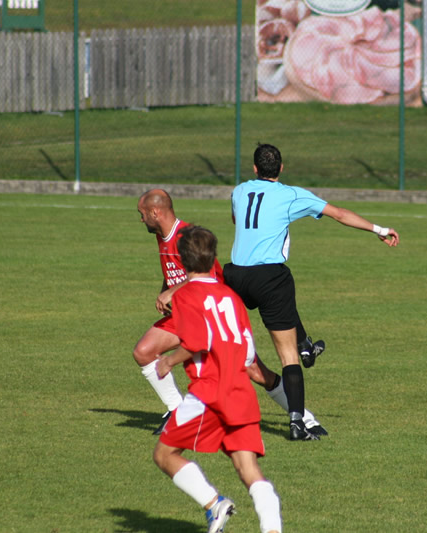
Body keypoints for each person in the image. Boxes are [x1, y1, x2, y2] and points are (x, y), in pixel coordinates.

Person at [223, 143, 399, 441]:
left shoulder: (239, 191)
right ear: (281, 168)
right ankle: (296, 423)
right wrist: (379, 230)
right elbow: (340, 214)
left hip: (235, 276)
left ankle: (306, 344)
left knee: (229, 343)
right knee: (286, 352)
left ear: (254, 168)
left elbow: (237, 221)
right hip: (268, 277)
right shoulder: (291, 194)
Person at [133, 189, 327, 436]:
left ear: (155, 212)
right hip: (185, 316)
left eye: (142, 214)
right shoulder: (162, 236)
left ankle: (307, 420)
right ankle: (178, 411)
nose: (141, 220)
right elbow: (174, 269)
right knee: (143, 351)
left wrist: (173, 291)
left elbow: (211, 275)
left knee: (257, 372)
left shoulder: (188, 237)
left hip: (213, 317)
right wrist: (166, 290)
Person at [153, 225, 282, 533]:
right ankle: (273, 529)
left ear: (182, 262)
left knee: (164, 453)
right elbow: (249, 352)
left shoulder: (185, 295)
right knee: (247, 468)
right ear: (213, 258)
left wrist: (168, 361)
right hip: (241, 391)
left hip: (210, 391)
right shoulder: (231, 296)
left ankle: (215, 504)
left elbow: (198, 341)